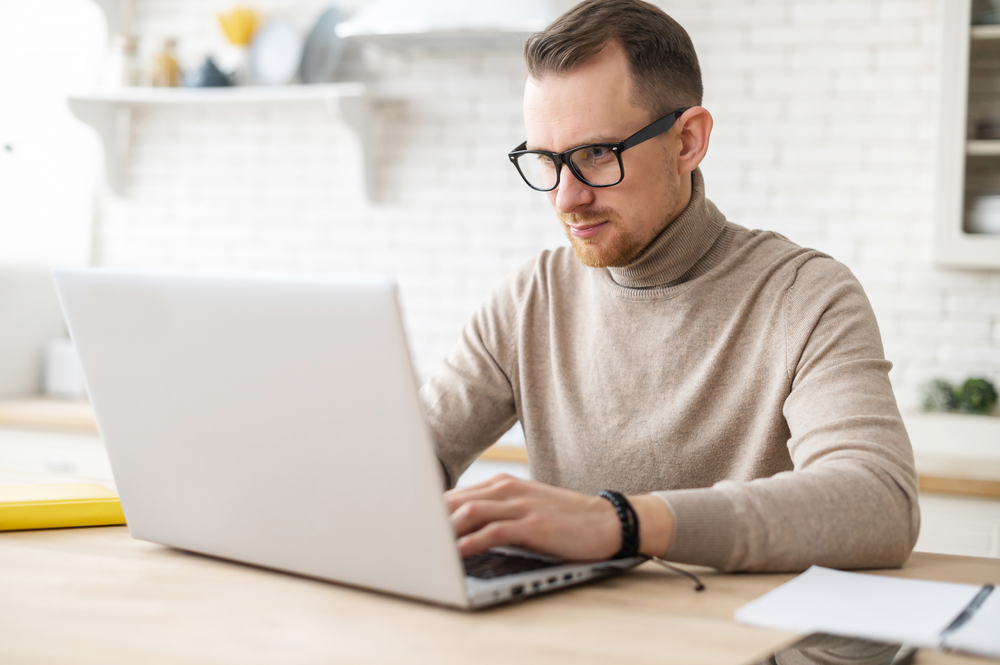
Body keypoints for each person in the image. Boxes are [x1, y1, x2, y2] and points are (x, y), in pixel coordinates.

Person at [419, 0, 920, 573]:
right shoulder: (531, 298)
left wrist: (622, 525)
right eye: (546, 160)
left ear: (687, 142)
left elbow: (879, 503)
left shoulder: (805, 296)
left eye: (595, 154)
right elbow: (410, 459)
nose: (565, 198)